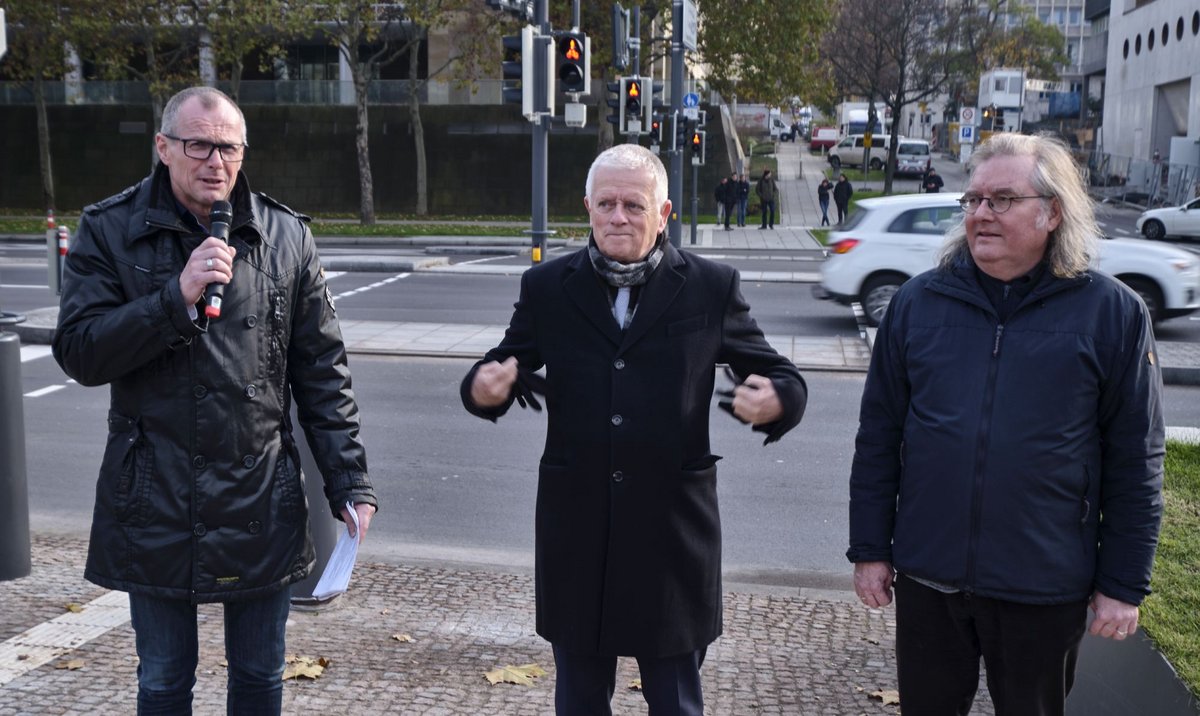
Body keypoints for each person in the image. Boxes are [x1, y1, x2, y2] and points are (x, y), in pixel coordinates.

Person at [52, 86, 378, 714]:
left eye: (227, 147)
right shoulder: (109, 229)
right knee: (165, 680)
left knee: (260, 679)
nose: (214, 162)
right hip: (155, 495)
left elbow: (321, 372)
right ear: (164, 147)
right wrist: (173, 299)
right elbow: (81, 352)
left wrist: (348, 481)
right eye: (197, 144)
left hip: (261, 494)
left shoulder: (285, 234)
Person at [461, 144, 808, 716]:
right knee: (578, 700)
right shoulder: (549, 286)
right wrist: (482, 387)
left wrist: (777, 400)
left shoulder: (709, 286)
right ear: (587, 209)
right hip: (579, 531)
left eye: (633, 205)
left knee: (675, 702)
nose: (617, 217)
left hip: (672, 535)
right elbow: (499, 364)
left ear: (664, 212)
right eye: (605, 204)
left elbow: (779, 374)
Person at [847, 133, 1164, 716]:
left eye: (1001, 200)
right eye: (972, 200)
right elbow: (879, 438)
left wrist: (1122, 584)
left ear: (1053, 212)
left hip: (1042, 586)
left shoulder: (1113, 314)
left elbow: (1134, 461)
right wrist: (870, 549)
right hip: (929, 576)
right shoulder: (918, 305)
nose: (980, 214)